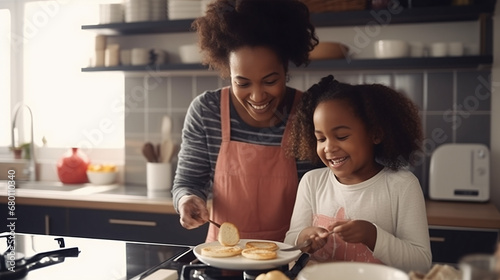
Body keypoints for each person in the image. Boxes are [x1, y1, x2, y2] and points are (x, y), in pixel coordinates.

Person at [171, 0, 320, 243]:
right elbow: (188, 182)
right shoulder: (206, 111)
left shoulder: (309, 113)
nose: (258, 96)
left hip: (293, 254)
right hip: (224, 255)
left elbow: (328, 192)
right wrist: (187, 199)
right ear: (226, 71)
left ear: (286, 69)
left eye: (270, 81)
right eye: (243, 83)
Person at [284, 75, 432, 273]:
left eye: (342, 136)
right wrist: (304, 239)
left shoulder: (402, 185)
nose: (329, 147)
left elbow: (421, 263)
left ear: (375, 134)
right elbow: (289, 245)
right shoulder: (312, 182)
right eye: (320, 138)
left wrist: (373, 236)